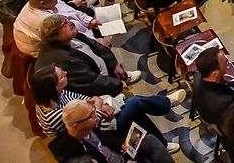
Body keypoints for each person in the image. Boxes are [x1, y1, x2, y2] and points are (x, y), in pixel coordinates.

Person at [31, 63, 184, 150]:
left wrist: (96, 103)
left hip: (94, 115)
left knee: (136, 111)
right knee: (135, 103)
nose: (66, 73)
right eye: (62, 76)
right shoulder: (55, 114)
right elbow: (89, 121)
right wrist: (97, 104)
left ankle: (161, 142)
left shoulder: (57, 93)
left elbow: (86, 100)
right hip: (97, 131)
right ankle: (166, 103)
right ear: (53, 87)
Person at [34, 14, 142, 96]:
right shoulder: (63, 60)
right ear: (55, 35)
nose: (70, 23)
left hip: (101, 74)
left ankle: (120, 75)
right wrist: (117, 84)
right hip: (97, 91)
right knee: (136, 102)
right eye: (64, 24)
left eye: (67, 20)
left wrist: (113, 64)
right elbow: (91, 83)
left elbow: (95, 45)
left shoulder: (69, 36)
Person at [49, 99, 176, 163]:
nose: (96, 115)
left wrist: (121, 143)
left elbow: (104, 138)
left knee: (149, 140)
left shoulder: (88, 128)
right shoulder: (74, 156)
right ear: (77, 125)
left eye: (94, 110)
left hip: (118, 155)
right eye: (91, 115)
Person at [14, 0, 96, 57]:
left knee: (81, 18)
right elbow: (68, 40)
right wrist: (94, 42)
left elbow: (66, 8)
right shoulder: (46, 22)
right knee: (75, 26)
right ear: (43, 3)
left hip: (50, 36)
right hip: (44, 50)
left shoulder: (39, 1)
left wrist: (88, 20)